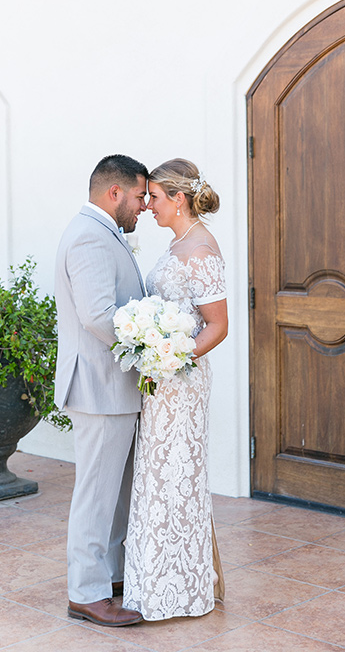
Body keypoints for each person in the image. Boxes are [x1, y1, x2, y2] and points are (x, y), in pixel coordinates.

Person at [123, 158, 228, 621]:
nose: (148, 206)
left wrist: (172, 359)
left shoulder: (201, 250)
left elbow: (218, 325)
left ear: (178, 199)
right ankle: (153, 581)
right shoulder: (178, 242)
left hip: (180, 384)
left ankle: (181, 589)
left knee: (176, 478)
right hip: (160, 380)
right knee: (157, 477)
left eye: (156, 197)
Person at [54, 154, 148, 627]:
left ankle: (108, 577)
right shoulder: (90, 234)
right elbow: (97, 315)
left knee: (113, 490)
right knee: (96, 492)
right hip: (99, 385)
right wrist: (152, 345)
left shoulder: (104, 231)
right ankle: (86, 593)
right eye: (138, 196)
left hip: (111, 386)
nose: (144, 206)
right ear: (115, 193)